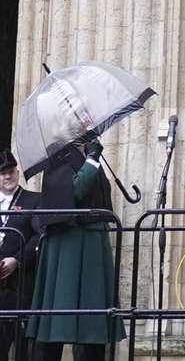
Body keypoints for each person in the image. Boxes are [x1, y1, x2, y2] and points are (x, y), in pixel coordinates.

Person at [26, 139, 121, 361]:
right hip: (68, 245)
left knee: (93, 327)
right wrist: (92, 159)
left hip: (92, 245)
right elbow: (76, 190)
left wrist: (92, 157)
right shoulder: (57, 155)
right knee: (54, 325)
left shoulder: (87, 152)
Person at [0, 151, 39, 361]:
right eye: (3, 173)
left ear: (17, 172)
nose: (8, 177)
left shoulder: (34, 200)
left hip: (20, 286)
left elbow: (39, 236)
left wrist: (17, 260)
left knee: (22, 347)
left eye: (11, 171)